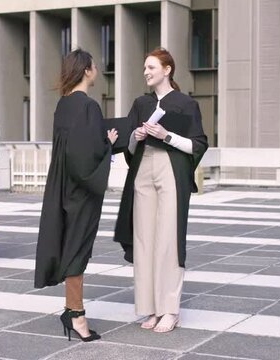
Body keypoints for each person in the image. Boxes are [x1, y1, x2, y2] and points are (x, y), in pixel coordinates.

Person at [113, 48, 208, 333]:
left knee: (168, 240)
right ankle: (150, 308)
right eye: (144, 68)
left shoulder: (185, 103)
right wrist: (135, 136)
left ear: (167, 70)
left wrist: (165, 135)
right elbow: (127, 148)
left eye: (151, 67)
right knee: (144, 241)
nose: (146, 72)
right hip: (142, 169)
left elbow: (198, 145)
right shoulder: (140, 103)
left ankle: (170, 310)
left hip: (171, 168)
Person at [34, 49, 118, 342]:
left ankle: (72, 310)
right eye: (95, 65)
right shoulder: (88, 107)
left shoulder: (63, 105)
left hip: (62, 187)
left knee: (71, 247)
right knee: (78, 252)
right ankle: (77, 315)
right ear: (87, 70)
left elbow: (70, 149)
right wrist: (108, 145)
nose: (97, 69)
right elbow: (87, 156)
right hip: (82, 192)